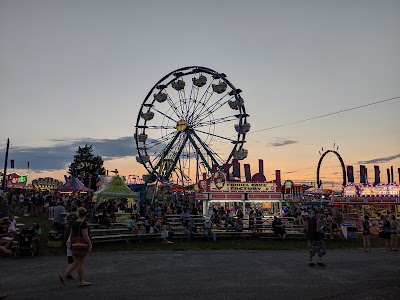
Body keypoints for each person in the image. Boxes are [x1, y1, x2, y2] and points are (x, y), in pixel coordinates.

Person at [59, 207, 92, 287]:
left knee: (76, 262)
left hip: (75, 244)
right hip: (82, 244)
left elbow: (71, 234)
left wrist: (70, 243)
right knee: (81, 263)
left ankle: (64, 275)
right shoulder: (83, 223)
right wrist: (90, 244)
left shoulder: (73, 223)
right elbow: (85, 236)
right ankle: (81, 281)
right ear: (85, 214)